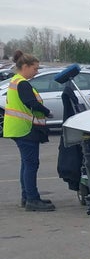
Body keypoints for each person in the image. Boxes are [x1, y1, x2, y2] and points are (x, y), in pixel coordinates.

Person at [2, 50, 55, 211]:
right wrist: (47, 112)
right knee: (31, 164)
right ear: (25, 66)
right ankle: (32, 199)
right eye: (35, 68)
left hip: (17, 128)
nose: (36, 72)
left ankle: (28, 197)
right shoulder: (22, 83)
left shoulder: (15, 81)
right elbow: (31, 102)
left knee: (27, 164)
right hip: (24, 129)